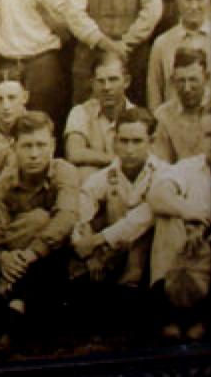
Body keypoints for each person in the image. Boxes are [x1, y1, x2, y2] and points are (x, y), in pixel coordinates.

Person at [0, 111, 79, 345]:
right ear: (14, 147)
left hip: (55, 255)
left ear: (53, 145)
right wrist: (4, 257)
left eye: (41, 145)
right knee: (36, 220)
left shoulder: (63, 171)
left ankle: (15, 309)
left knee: (42, 221)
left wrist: (30, 253)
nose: (35, 154)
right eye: (27, 146)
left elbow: (66, 216)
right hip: (16, 265)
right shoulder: (2, 187)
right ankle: (18, 312)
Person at [70, 108, 164, 301]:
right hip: (115, 249)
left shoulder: (163, 174)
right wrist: (88, 244)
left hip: (151, 257)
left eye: (137, 141)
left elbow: (142, 219)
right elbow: (85, 197)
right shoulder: (109, 173)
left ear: (151, 142)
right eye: (124, 141)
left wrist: (97, 240)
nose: (129, 150)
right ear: (115, 141)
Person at [147, 113, 211, 341]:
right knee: (167, 217)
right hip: (190, 249)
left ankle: (206, 316)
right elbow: (157, 195)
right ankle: (168, 310)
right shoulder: (189, 167)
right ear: (201, 138)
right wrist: (189, 213)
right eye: (210, 135)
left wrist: (204, 224)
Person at [147, 0, 211, 112]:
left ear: (208, 0)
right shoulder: (162, 44)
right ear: (178, 2)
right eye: (188, 0)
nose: (194, 6)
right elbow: (154, 96)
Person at [63, 52, 137, 181]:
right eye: (100, 81)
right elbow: (74, 153)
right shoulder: (81, 112)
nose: (107, 87)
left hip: (127, 182)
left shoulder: (136, 116)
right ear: (93, 84)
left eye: (113, 80)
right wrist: (115, 159)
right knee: (83, 172)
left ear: (126, 81)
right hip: (92, 181)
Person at [151, 47, 211, 164]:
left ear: (207, 78)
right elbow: (161, 163)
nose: (187, 88)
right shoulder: (164, 115)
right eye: (181, 81)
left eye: (193, 80)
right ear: (173, 81)